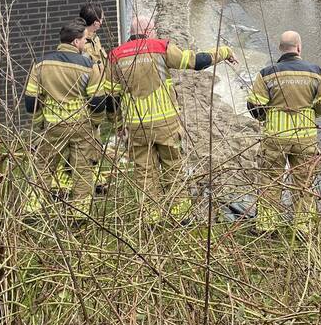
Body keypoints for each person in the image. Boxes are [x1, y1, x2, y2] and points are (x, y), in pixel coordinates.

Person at [102, 15, 237, 223]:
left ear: (131, 32)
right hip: (166, 124)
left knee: (144, 173)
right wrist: (224, 52)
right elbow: (197, 62)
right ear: (149, 31)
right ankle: (180, 216)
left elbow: (111, 97)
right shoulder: (160, 47)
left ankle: (151, 218)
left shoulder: (115, 56)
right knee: (173, 168)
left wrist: (118, 124)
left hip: (136, 126)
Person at [246, 30, 321, 235]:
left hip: (275, 137)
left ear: (280, 48)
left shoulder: (266, 74)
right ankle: (303, 229)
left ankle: (266, 227)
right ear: (299, 47)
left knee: (270, 180)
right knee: (304, 182)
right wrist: (313, 111)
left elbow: (254, 107)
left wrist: (268, 117)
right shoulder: (316, 72)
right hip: (305, 137)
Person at [23, 19, 113, 216]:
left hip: (52, 125)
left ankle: (32, 209)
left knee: (43, 166)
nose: (85, 44)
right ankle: (80, 213)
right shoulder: (88, 65)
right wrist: (95, 123)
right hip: (80, 126)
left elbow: (30, 99)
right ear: (75, 42)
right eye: (84, 40)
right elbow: (98, 100)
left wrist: (39, 121)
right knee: (82, 169)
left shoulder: (41, 64)